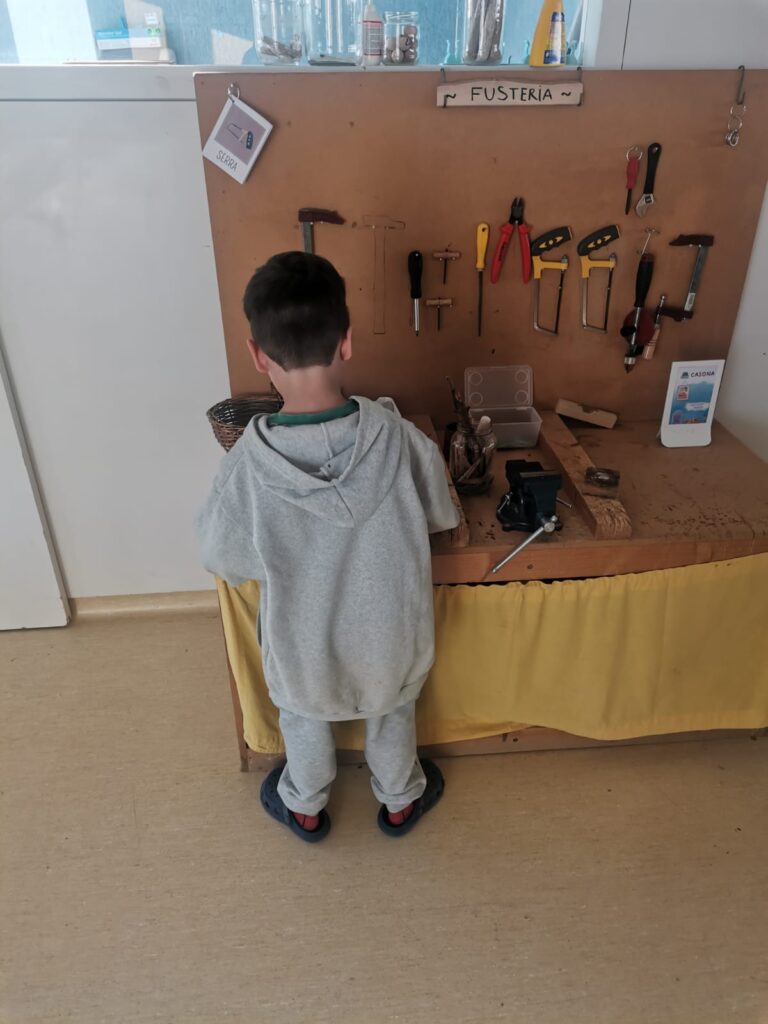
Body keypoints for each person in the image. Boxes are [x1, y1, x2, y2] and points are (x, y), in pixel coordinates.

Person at [196, 251, 459, 843]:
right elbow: (440, 514)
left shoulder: (245, 468)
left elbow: (221, 557)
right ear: (347, 342)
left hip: (302, 645)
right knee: (393, 711)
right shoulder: (402, 439)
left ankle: (306, 807)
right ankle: (400, 801)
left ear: (258, 355)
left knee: (303, 718)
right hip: (390, 637)